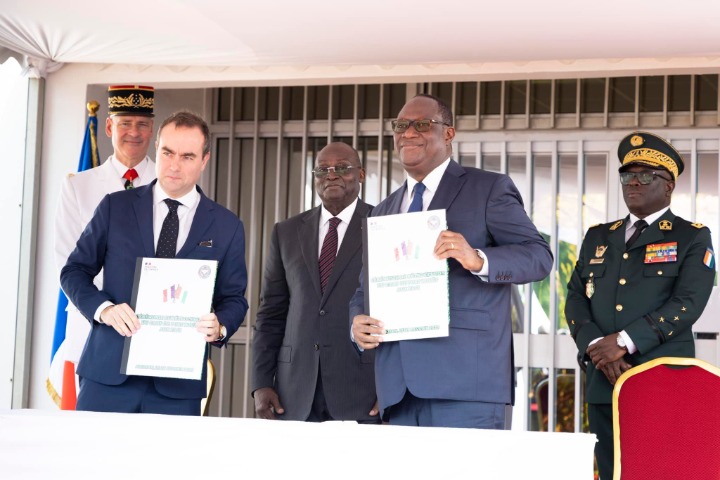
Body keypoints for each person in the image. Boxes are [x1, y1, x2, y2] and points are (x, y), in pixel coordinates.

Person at [350, 94, 553, 429]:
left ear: (448, 134)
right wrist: (356, 323)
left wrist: (478, 259)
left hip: (467, 385)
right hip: (399, 390)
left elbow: (539, 256)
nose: (408, 133)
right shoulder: (384, 210)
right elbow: (364, 290)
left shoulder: (488, 189)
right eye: (401, 125)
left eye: (422, 124)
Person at [61, 111, 248, 415]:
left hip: (177, 385)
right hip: (108, 375)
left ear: (204, 160)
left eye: (187, 156)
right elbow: (74, 272)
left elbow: (234, 298)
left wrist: (220, 326)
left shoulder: (227, 226)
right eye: (167, 152)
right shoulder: (115, 207)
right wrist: (104, 309)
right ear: (157, 149)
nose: (174, 165)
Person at [565, 131, 715, 479]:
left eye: (645, 176)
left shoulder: (691, 236)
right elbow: (575, 297)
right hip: (605, 378)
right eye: (627, 175)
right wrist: (597, 348)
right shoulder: (598, 236)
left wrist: (623, 342)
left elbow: (688, 302)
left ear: (668, 185)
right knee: (609, 469)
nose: (633, 182)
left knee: (659, 469)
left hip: (660, 378)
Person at [251, 142, 379, 422]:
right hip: (294, 391)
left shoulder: (382, 225)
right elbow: (271, 313)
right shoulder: (285, 232)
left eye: (342, 168)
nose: (331, 175)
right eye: (322, 170)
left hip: (363, 388)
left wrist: (393, 386)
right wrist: (261, 383)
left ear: (360, 174)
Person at [53, 85, 157, 381]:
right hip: (94, 324)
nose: (134, 132)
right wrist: (108, 308)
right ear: (110, 127)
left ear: (152, 131)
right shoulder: (78, 186)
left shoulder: (168, 185)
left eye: (142, 124)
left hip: (153, 327)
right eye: (125, 123)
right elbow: (68, 262)